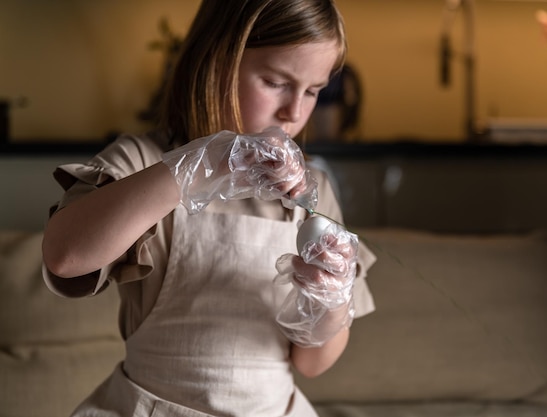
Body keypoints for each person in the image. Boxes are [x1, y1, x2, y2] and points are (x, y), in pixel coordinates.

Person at [41, 1, 376, 416]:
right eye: (275, 81)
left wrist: (330, 300)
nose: (294, 112)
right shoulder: (142, 161)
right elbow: (65, 256)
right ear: (214, 64)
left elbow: (312, 363)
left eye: (312, 91)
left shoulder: (313, 192)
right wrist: (200, 165)